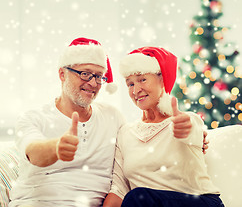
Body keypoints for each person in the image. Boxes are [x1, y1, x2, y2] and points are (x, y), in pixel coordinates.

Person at [9, 37, 126, 207]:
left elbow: (122, 177)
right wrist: (56, 148)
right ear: (62, 74)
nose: (93, 83)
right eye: (85, 74)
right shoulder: (33, 118)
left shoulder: (113, 117)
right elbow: (33, 152)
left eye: (99, 76)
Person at [103, 46, 224, 207]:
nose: (136, 90)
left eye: (142, 79)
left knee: (139, 197)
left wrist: (185, 129)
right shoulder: (125, 133)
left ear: (162, 79)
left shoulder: (187, 120)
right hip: (144, 203)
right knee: (137, 198)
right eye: (130, 84)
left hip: (199, 202)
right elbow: (118, 190)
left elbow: (192, 131)